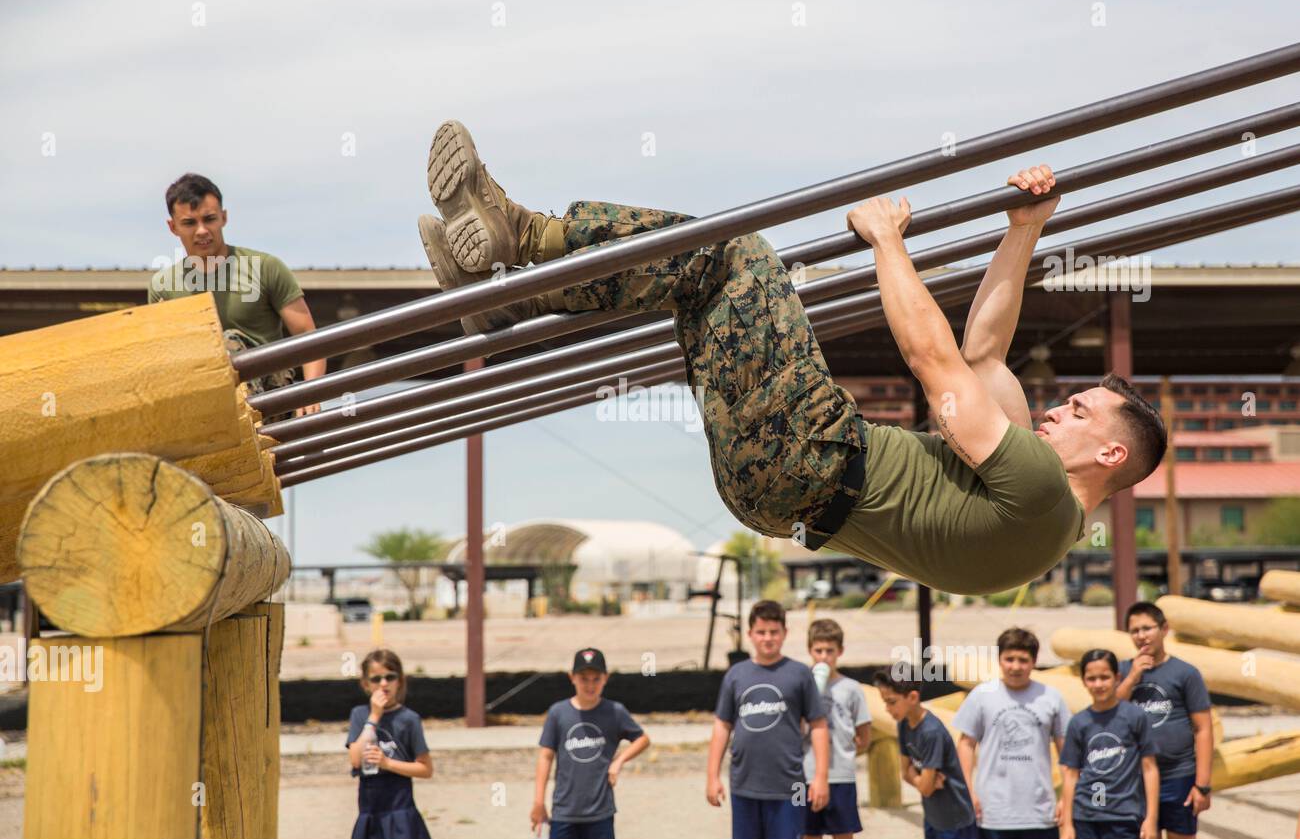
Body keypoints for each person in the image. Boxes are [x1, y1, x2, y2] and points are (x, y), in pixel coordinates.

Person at [418, 121, 1167, 596]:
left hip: (811, 454)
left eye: (1077, 411)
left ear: (1108, 451)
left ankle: (524, 236)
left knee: (735, 251)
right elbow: (984, 353)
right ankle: (514, 297)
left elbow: (936, 364)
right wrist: (1026, 229)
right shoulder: (1043, 525)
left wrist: (887, 242)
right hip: (775, 494)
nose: (1058, 407)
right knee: (697, 288)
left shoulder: (1039, 488)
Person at [149, 172, 326, 417]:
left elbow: (306, 334)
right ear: (173, 227)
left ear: (224, 217)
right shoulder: (163, 286)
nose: (201, 231)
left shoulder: (264, 268)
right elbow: (162, 357)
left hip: (268, 396)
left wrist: (311, 391)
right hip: (203, 401)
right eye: (190, 223)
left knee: (227, 341)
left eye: (209, 219)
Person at [707, 600, 830, 839]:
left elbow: (818, 725)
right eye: (761, 632)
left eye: (774, 632)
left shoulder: (800, 673)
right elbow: (722, 725)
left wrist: (821, 778)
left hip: (790, 785)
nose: (767, 638)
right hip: (744, 783)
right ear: (750, 634)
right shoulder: (735, 675)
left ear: (785, 633)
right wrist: (712, 776)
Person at [954, 627, 1071, 839]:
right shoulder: (981, 695)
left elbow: (1068, 753)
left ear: (1034, 662)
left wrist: (1066, 798)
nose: (1015, 667)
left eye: (1023, 660)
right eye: (1009, 659)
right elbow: (965, 744)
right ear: (999, 659)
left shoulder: (1051, 698)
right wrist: (967, 791)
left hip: (1040, 812)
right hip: (993, 813)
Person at [1116, 601, 1214, 839]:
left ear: (1164, 629)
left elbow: (1203, 728)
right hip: (1135, 778)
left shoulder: (1185, 673)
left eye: (1147, 628)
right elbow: (1110, 713)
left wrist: (1202, 785)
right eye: (1134, 631)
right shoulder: (1122, 670)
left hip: (1178, 775)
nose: (1141, 636)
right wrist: (1132, 678)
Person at [530, 648, 649, 839]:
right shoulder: (558, 713)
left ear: (606, 678)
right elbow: (545, 756)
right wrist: (538, 801)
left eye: (596, 679)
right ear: (572, 677)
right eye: (584, 678)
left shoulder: (614, 712)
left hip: (600, 812)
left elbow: (642, 739)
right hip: (564, 811)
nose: (590, 685)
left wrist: (618, 761)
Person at [1060, 649, 1159, 839]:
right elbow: (1071, 775)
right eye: (1092, 678)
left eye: (1104, 677)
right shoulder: (1079, 722)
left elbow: (1150, 769)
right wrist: (1067, 824)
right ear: (1083, 681)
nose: (1098, 684)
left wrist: (1151, 819)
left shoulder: (1135, 717)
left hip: (1124, 816)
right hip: (1085, 817)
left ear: (1117, 678)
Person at [874, 670, 978, 839]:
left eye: (892, 702)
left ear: (913, 697)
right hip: (932, 816)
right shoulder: (903, 724)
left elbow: (926, 788)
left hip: (954, 821)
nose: (887, 709)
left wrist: (921, 780)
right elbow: (905, 773)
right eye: (885, 702)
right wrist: (921, 779)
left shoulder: (931, 732)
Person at [344, 649, 433, 839]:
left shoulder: (409, 719)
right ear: (366, 684)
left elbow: (426, 769)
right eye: (376, 679)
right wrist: (374, 717)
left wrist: (387, 764)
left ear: (399, 681)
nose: (383, 684)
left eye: (390, 677)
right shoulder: (360, 715)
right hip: (369, 811)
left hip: (400, 811)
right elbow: (355, 760)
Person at [802, 618, 871, 839]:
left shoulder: (851, 689)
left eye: (829, 651)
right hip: (805, 774)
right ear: (809, 650)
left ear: (840, 651)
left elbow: (864, 735)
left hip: (841, 776)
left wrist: (845, 755)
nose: (823, 657)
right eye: (818, 650)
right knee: (808, 833)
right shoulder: (800, 685)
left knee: (843, 833)